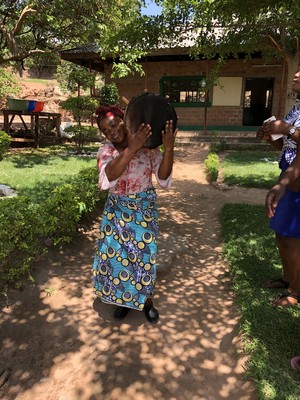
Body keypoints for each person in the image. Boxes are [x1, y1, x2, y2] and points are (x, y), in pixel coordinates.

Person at [92, 104, 177, 322]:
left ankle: (147, 302)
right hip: (116, 213)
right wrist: (131, 148)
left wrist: (169, 149)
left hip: (143, 212)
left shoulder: (148, 149)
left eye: (113, 125)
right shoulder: (106, 151)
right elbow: (108, 176)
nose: (111, 132)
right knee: (118, 259)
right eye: (105, 131)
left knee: (143, 259)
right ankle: (124, 301)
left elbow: (164, 179)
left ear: (123, 119)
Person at [257, 69, 300, 306]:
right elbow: (290, 148)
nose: (296, 74)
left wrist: (286, 129)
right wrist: (271, 138)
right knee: (282, 235)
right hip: (289, 175)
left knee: (293, 238)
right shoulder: (297, 108)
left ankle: (296, 291)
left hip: (296, 181)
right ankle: (287, 278)